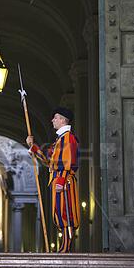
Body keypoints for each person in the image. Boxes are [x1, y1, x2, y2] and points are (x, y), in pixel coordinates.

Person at [26, 107, 80, 253]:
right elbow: (49, 159)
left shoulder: (68, 138)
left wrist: (61, 181)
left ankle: (67, 246)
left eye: (55, 118)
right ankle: (64, 245)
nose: (52, 120)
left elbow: (67, 161)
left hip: (64, 182)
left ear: (63, 120)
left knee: (66, 212)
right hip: (58, 180)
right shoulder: (60, 139)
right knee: (59, 213)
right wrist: (33, 147)